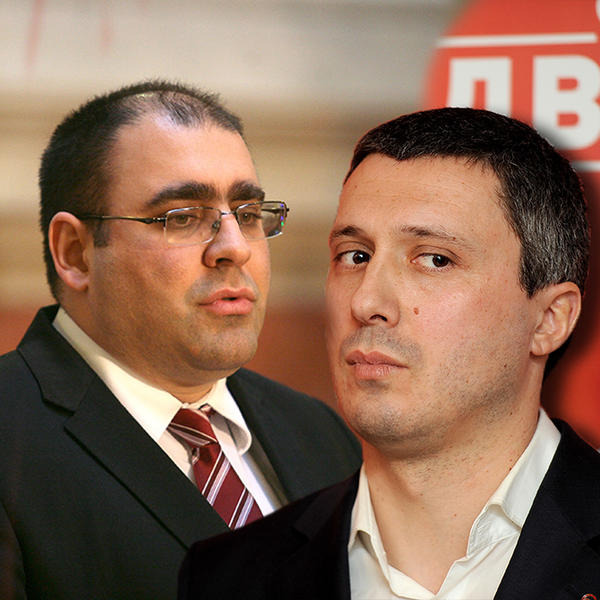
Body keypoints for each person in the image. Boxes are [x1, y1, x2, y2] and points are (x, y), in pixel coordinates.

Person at [178, 107, 600, 600]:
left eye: (435, 260)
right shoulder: (226, 579)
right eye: (355, 256)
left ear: (549, 319)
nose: (365, 302)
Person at [0, 80, 361, 600]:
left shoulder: (318, 433)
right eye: (183, 217)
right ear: (75, 252)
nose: (234, 248)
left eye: (248, 214)